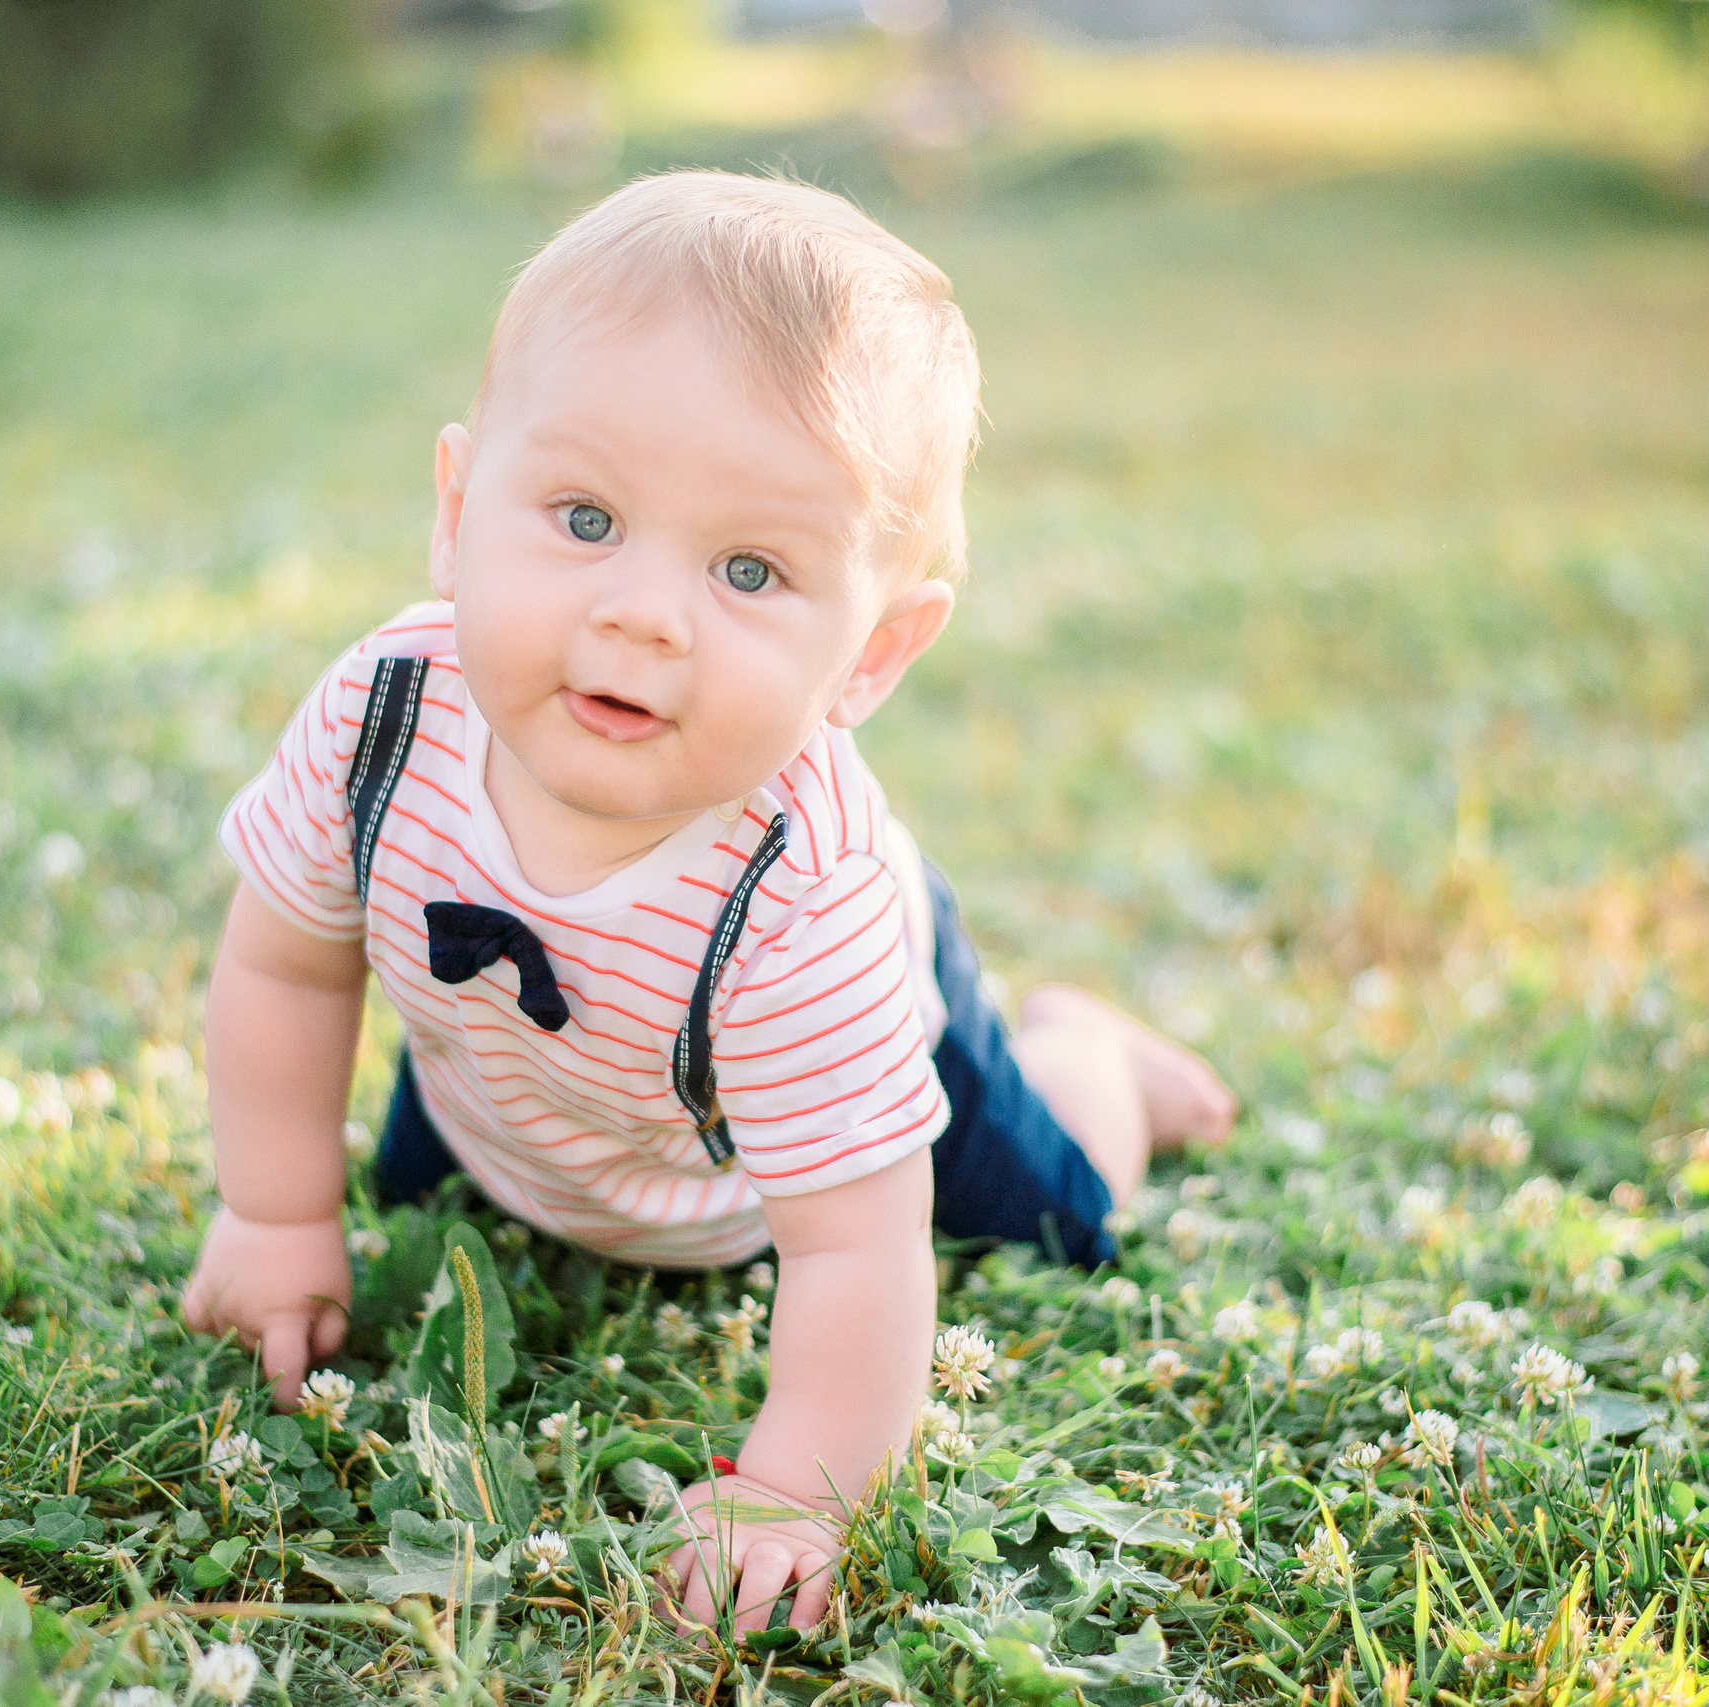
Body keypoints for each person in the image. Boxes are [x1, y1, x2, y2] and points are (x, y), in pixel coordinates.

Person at [182, 170, 1235, 1635]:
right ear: (455, 505)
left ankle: (1093, 1057)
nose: (644, 613)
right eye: (585, 516)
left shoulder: (808, 905)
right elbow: (289, 970)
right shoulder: (382, 718)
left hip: (798, 1126)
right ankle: (512, 1179)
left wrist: (798, 1489)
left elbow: (855, 1245)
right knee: (407, 1209)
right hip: (514, 1091)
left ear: (868, 656)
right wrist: (275, 1212)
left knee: (1052, 1220)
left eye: (750, 568)